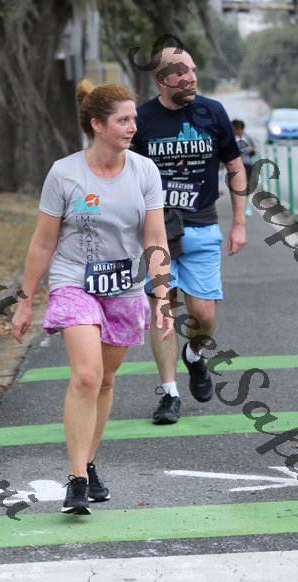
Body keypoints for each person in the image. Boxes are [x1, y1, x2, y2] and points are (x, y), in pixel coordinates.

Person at [11, 79, 173, 515]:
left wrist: (162, 294)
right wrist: (25, 300)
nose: (133, 127)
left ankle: (89, 461)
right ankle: (77, 479)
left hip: (124, 286)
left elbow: (155, 237)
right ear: (97, 124)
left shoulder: (145, 171)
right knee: (86, 374)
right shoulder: (65, 173)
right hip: (73, 281)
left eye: (134, 119)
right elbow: (43, 241)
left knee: (105, 380)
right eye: (123, 120)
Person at [132, 47, 247, 425]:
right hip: (156, 229)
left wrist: (240, 222)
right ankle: (170, 394)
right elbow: (123, 172)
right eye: (182, 73)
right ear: (162, 79)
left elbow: (234, 165)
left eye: (193, 70)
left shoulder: (212, 112)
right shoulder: (142, 119)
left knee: (204, 315)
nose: (192, 78)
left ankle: (194, 355)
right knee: (163, 310)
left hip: (201, 224)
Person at [231, 119, 256, 186]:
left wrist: (252, 150)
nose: (237, 131)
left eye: (238, 129)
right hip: (236, 163)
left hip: (247, 163)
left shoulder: (247, 137)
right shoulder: (231, 138)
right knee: (238, 182)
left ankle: (246, 191)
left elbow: (253, 146)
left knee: (247, 180)